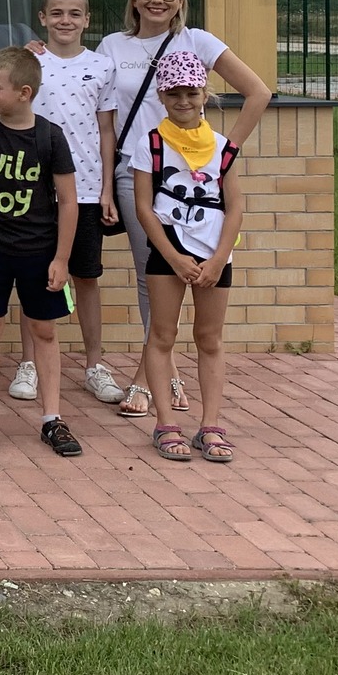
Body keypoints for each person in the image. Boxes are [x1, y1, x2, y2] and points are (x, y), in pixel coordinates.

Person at [95, 0, 271, 418]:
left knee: (188, 274)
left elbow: (258, 92)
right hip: (137, 171)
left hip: (194, 178)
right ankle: (161, 370)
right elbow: (101, 113)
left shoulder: (198, 41)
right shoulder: (113, 45)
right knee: (152, 273)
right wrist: (39, 54)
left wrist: (223, 154)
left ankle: (147, 376)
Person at [0, 47, 83, 460]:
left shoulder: (50, 136)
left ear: (24, 92)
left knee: (44, 331)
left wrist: (61, 258)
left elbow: (68, 201)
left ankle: (52, 418)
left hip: (38, 252)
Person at [7, 0, 123, 407]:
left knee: (86, 277)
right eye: (56, 13)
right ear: (43, 17)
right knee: (33, 277)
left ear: (87, 20)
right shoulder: (30, 63)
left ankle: (95, 365)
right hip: (33, 189)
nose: (65, 21)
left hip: (86, 189)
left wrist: (107, 189)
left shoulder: (102, 66)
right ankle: (29, 363)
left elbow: (106, 131)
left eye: (75, 14)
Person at [130, 51, 246, 463]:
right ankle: (165, 423)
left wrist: (219, 259)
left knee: (209, 339)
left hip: (214, 253)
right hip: (169, 250)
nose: (183, 101)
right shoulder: (151, 144)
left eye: (192, 93)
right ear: (162, 96)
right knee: (162, 336)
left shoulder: (222, 148)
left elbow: (235, 207)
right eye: (174, 93)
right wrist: (174, 257)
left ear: (204, 95)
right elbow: (144, 207)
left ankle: (210, 424)